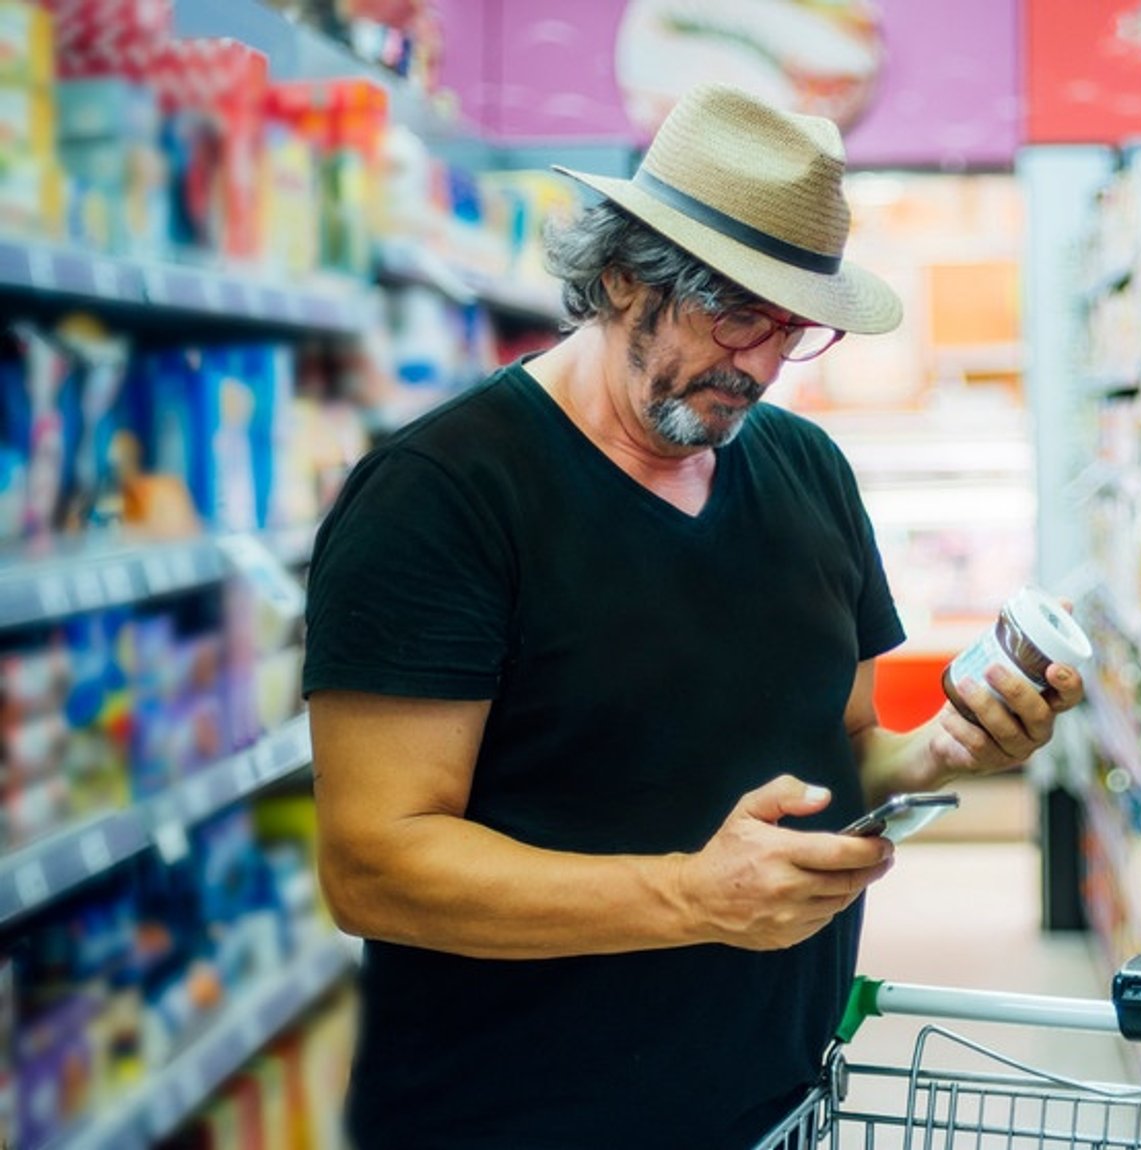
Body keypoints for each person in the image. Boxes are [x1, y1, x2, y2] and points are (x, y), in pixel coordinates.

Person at [301, 83, 1086, 1148]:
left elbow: (842, 753)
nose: (759, 365)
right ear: (623, 273)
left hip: (774, 1110)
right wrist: (690, 897)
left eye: (792, 328)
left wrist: (948, 746)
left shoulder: (808, 470)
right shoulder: (443, 495)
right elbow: (373, 865)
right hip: (512, 1119)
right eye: (736, 313)